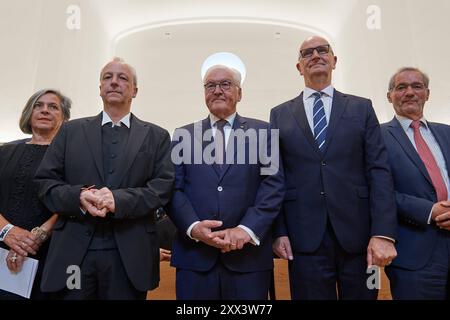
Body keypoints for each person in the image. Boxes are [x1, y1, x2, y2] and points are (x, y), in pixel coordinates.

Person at [35, 57, 174, 300]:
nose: (114, 82)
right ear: (100, 87)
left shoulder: (157, 136)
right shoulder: (70, 131)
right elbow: (45, 182)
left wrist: (118, 200)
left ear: (134, 91)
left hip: (129, 256)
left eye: (122, 78)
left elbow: (162, 188)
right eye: (107, 77)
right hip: (73, 254)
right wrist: (78, 196)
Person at [270, 36, 397, 300]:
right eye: (307, 53)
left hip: (361, 239)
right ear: (299, 66)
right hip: (303, 240)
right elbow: (274, 176)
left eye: (322, 50)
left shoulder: (362, 108)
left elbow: (379, 172)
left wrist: (383, 233)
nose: (315, 55)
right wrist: (278, 232)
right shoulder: (278, 114)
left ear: (334, 61)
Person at [169, 65, 285, 299]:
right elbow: (173, 189)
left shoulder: (265, 132)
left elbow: (273, 185)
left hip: (248, 261)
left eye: (225, 84)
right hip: (195, 259)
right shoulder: (183, 135)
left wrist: (246, 229)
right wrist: (193, 227)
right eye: (211, 86)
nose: (218, 90)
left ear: (239, 93)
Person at [381, 67, 450, 299]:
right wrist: (429, 210)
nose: (409, 92)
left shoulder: (447, 133)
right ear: (389, 96)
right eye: (401, 87)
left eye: (417, 86)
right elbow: (378, 192)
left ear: (427, 94)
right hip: (414, 255)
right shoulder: (377, 137)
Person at [0, 89, 71, 299]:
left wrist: (36, 237)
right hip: (2, 244)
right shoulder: (4, 152)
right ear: (28, 113)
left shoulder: (72, 156)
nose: (45, 110)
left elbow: (73, 201)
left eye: (53, 107)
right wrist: (7, 232)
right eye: (38, 105)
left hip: (48, 252)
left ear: (65, 119)